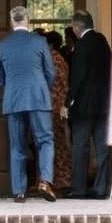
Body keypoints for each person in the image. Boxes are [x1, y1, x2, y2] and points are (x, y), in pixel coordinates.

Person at [0, 5, 57, 202]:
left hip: (14, 99)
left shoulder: (3, 45)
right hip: (38, 97)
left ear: (12, 21)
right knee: (45, 140)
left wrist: (13, 87)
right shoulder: (39, 42)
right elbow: (51, 72)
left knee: (17, 145)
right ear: (27, 20)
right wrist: (42, 88)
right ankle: (45, 181)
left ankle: (19, 191)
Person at [67, 11, 112, 197]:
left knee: (81, 148)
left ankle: (79, 188)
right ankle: (102, 187)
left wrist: (68, 102)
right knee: (102, 148)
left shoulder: (81, 46)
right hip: (103, 104)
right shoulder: (102, 41)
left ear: (77, 27)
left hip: (84, 107)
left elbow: (78, 77)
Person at [44, 30, 73, 192]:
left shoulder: (53, 59)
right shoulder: (57, 59)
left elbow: (58, 85)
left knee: (58, 144)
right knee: (58, 142)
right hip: (56, 105)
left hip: (54, 106)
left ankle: (61, 179)